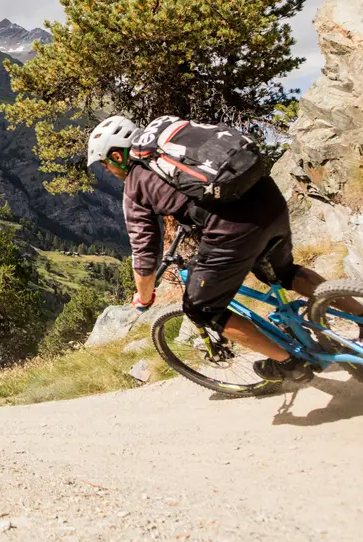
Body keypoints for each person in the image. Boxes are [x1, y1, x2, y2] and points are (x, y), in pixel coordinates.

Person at [88, 115, 328, 384]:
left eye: (105, 163)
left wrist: (144, 298)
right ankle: (358, 314)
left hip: (233, 227)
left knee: (202, 309)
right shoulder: (167, 136)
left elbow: (144, 255)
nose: (107, 170)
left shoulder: (135, 185)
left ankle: (291, 365)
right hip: (267, 196)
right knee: (285, 272)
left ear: (117, 156)